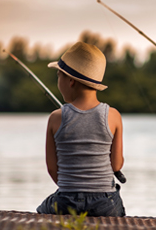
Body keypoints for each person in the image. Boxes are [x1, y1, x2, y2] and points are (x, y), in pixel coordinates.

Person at [37, 41, 125, 217]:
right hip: (105, 202)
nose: (58, 81)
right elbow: (116, 164)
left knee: (41, 210)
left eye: (58, 75)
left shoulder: (55, 118)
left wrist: (72, 190)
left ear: (70, 81)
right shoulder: (113, 115)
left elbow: (52, 169)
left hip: (66, 200)